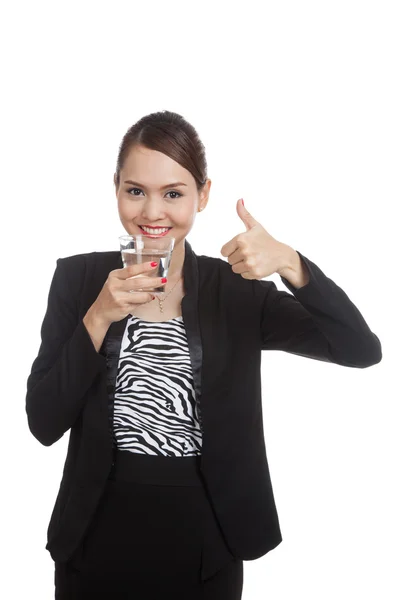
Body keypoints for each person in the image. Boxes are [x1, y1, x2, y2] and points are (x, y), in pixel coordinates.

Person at [25, 110, 382, 599]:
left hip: (205, 542)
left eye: (173, 193)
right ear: (116, 189)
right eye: (136, 191)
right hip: (94, 538)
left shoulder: (236, 291)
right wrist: (98, 316)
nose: (153, 213)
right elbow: (43, 422)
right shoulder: (78, 280)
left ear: (203, 195)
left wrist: (291, 264)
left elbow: (360, 350)